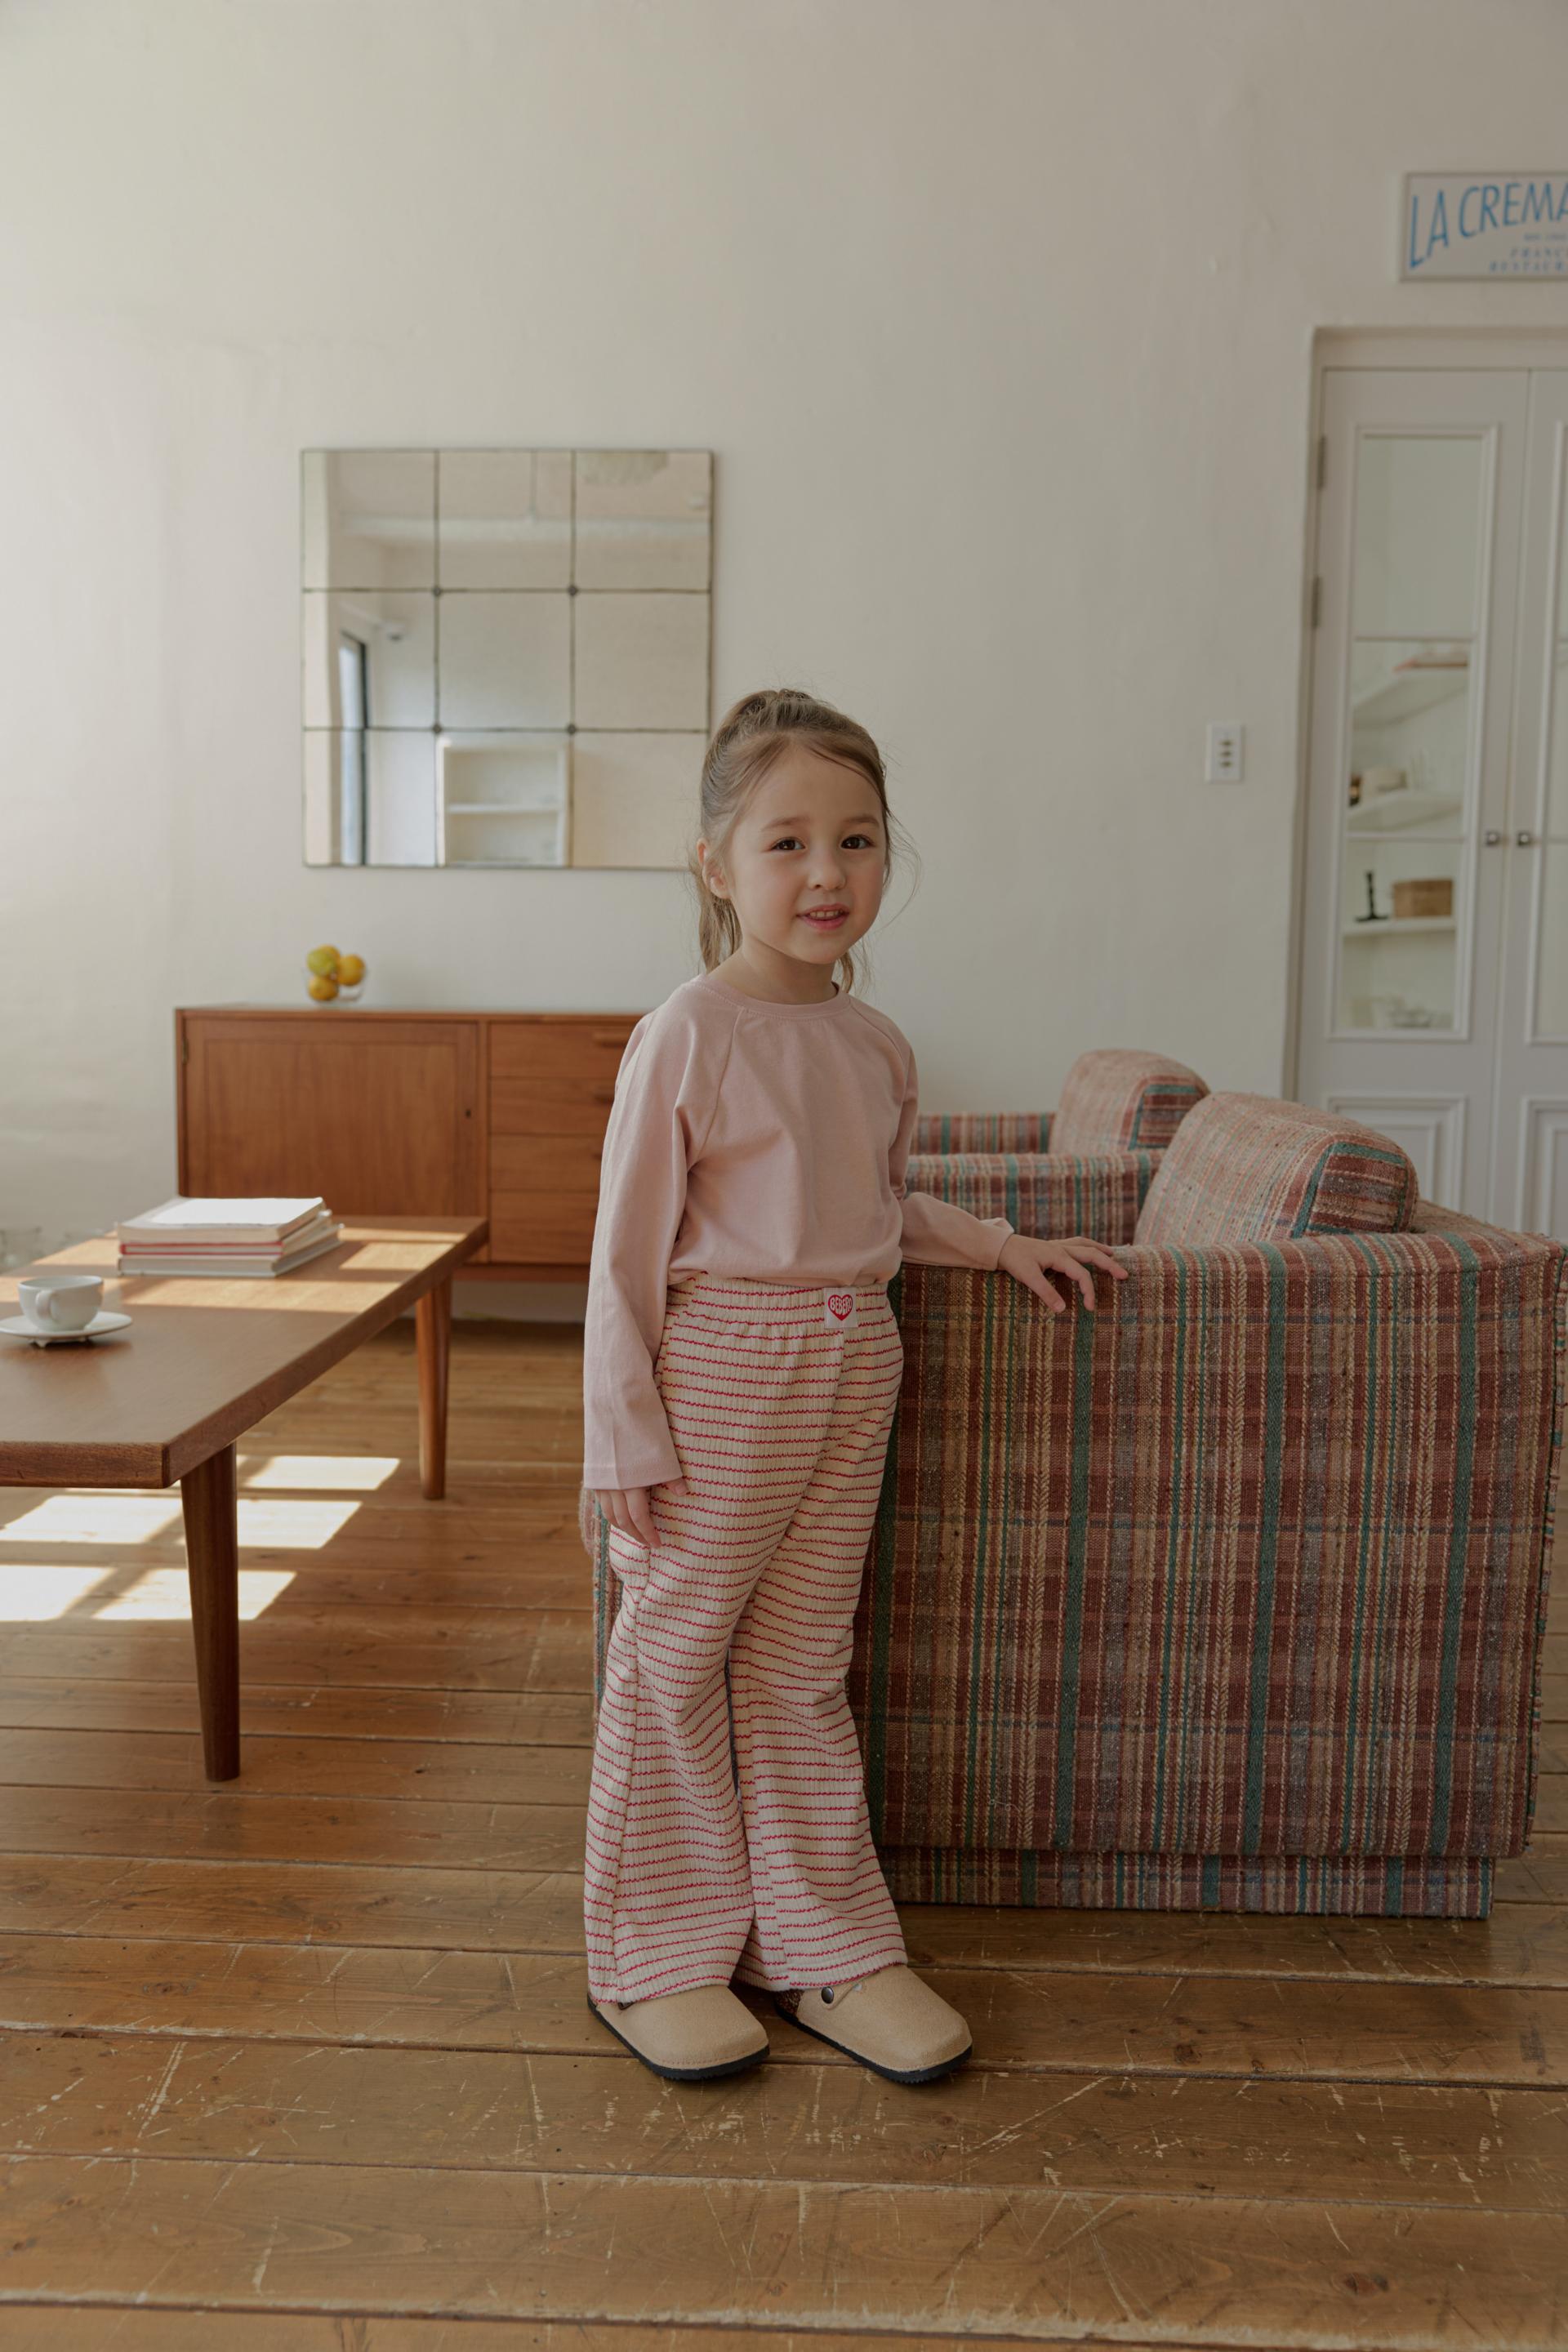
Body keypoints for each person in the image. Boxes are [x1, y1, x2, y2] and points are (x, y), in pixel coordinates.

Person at [581, 685, 1127, 2087]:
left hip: (854, 1365)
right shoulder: (687, 1031)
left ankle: (820, 1945)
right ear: (717, 865)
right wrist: (621, 1438)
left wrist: (999, 1244)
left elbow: (876, 1210)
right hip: (726, 1374)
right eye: (788, 842)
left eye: (860, 839)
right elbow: (623, 1255)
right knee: (674, 1654)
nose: (828, 873)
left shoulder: (877, 1044)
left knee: (798, 1666)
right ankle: (656, 1955)